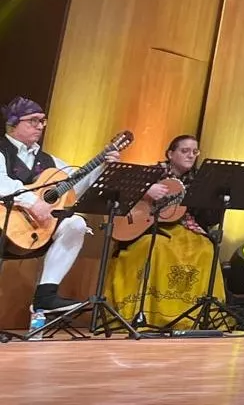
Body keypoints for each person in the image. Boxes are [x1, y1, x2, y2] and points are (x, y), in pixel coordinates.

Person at [1, 96, 117, 313]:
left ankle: (46, 294)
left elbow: (75, 188)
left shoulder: (51, 162)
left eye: (42, 121)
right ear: (13, 123)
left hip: (35, 229)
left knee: (76, 224)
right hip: (4, 224)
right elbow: (2, 183)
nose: (39, 126)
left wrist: (101, 167)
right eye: (32, 120)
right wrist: (33, 202)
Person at [107, 135, 218, 328]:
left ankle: (191, 314)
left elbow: (207, 217)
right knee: (158, 247)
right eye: (185, 151)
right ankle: (151, 313)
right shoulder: (153, 172)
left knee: (207, 248)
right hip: (147, 229)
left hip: (183, 228)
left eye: (195, 151)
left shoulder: (199, 180)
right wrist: (146, 189)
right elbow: (120, 187)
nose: (191, 155)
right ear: (170, 154)